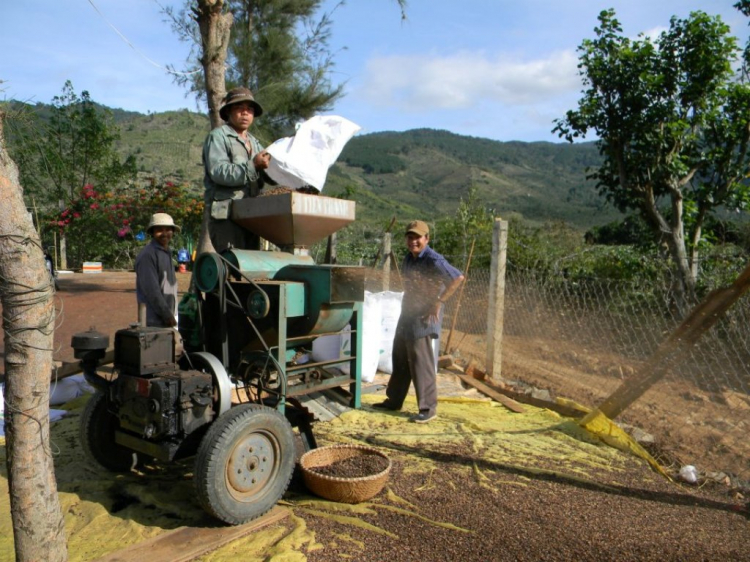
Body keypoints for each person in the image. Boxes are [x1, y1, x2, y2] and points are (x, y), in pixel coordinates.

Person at [374, 220, 465, 423]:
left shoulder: (434, 260)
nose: (413, 241)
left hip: (424, 316)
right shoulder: (409, 258)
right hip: (408, 313)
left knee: (420, 361)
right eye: (410, 237)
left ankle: (428, 408)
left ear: (427, 239)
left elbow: (458, 277)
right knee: (399, 356)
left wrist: (439, 302)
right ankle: (394, 400)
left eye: (417, 237)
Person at [202, 86, 273, 251]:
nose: (245, 113)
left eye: (249, 109)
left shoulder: (255, 143)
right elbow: (218, 172)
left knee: (250, 266)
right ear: (228, 113)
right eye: (239, 108)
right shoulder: (218, 137)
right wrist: (253, 165)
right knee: (232, 265)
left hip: (252, 215)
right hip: (227, 215)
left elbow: (268, 172)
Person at [135, 213, 180, 328]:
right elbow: (151, 290)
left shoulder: (167, 252)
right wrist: (166, 314)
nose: (164, 234)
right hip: (153, 320)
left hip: (168, 316)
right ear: (152, 232)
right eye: (159, 230)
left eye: (168, 230)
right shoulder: (148, 255)